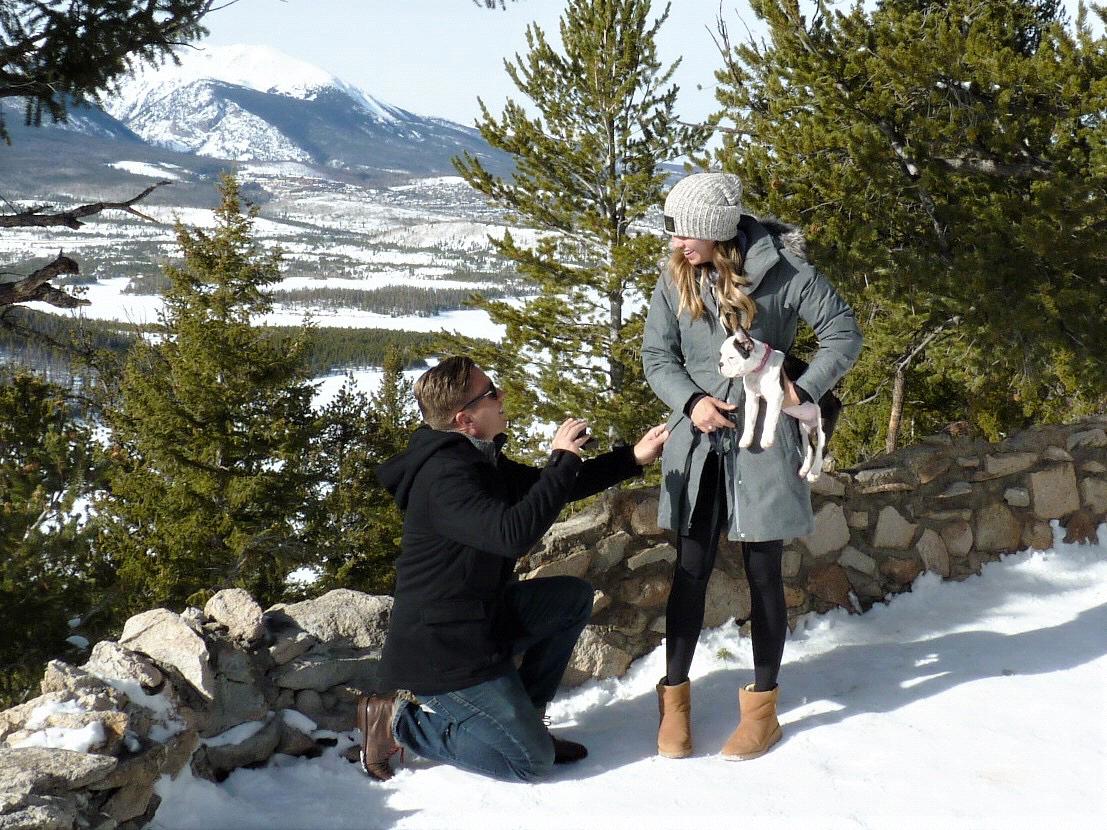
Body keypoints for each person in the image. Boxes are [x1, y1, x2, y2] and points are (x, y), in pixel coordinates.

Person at [359, 356, 669, 782]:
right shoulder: (444, 477)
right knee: (530, 762)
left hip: (481, 619)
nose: (501, 396)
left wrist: (633, 457)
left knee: (570, 599)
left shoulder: (477, 457)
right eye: (491, 393)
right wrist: (562, 458)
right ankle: (397, 722)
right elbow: (512, 534)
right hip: (444, 650)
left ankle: (526, 721)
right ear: (465, 418)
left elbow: (553, 487)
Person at [642, 172, 862, 761]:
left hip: (764, 447)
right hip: (698, 445)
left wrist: (801, 392)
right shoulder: (675, 276)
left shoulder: (787, 274)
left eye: (687, 231)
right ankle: (674, 706)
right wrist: (692, 403)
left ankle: (762, 712)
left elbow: (844, 333)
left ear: (716, 229)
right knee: (690, 571)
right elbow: (655, 354)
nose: (677, 242)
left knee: (764, 575)